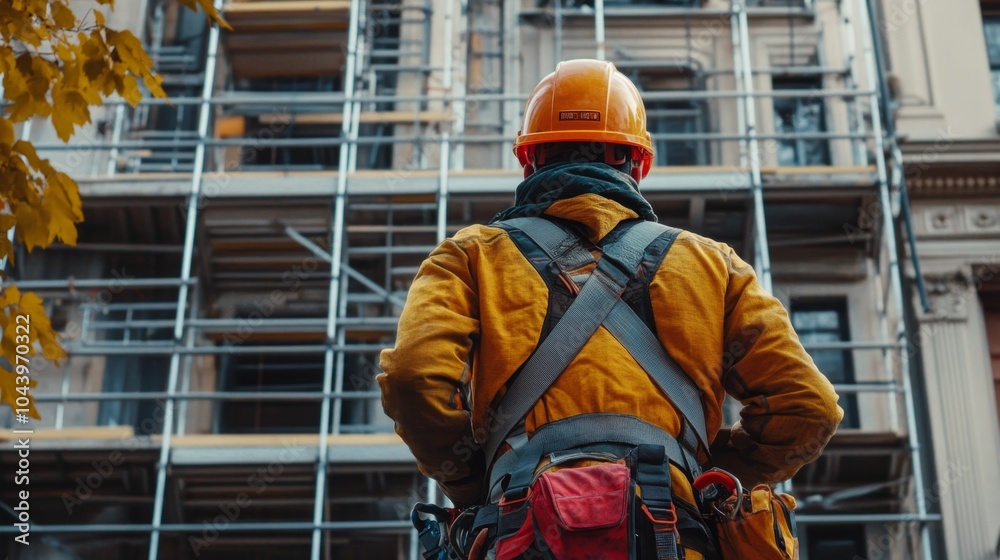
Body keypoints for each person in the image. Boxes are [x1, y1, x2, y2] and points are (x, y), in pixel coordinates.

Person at [378, 59, 843, 559]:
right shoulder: (714, 265)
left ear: (529, 160)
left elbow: (413, 379)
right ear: (638, 165)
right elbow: (808, 407)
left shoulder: (470, 255)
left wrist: (475, 481)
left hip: (521, 530)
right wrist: (699, 471)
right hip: (673, 536)